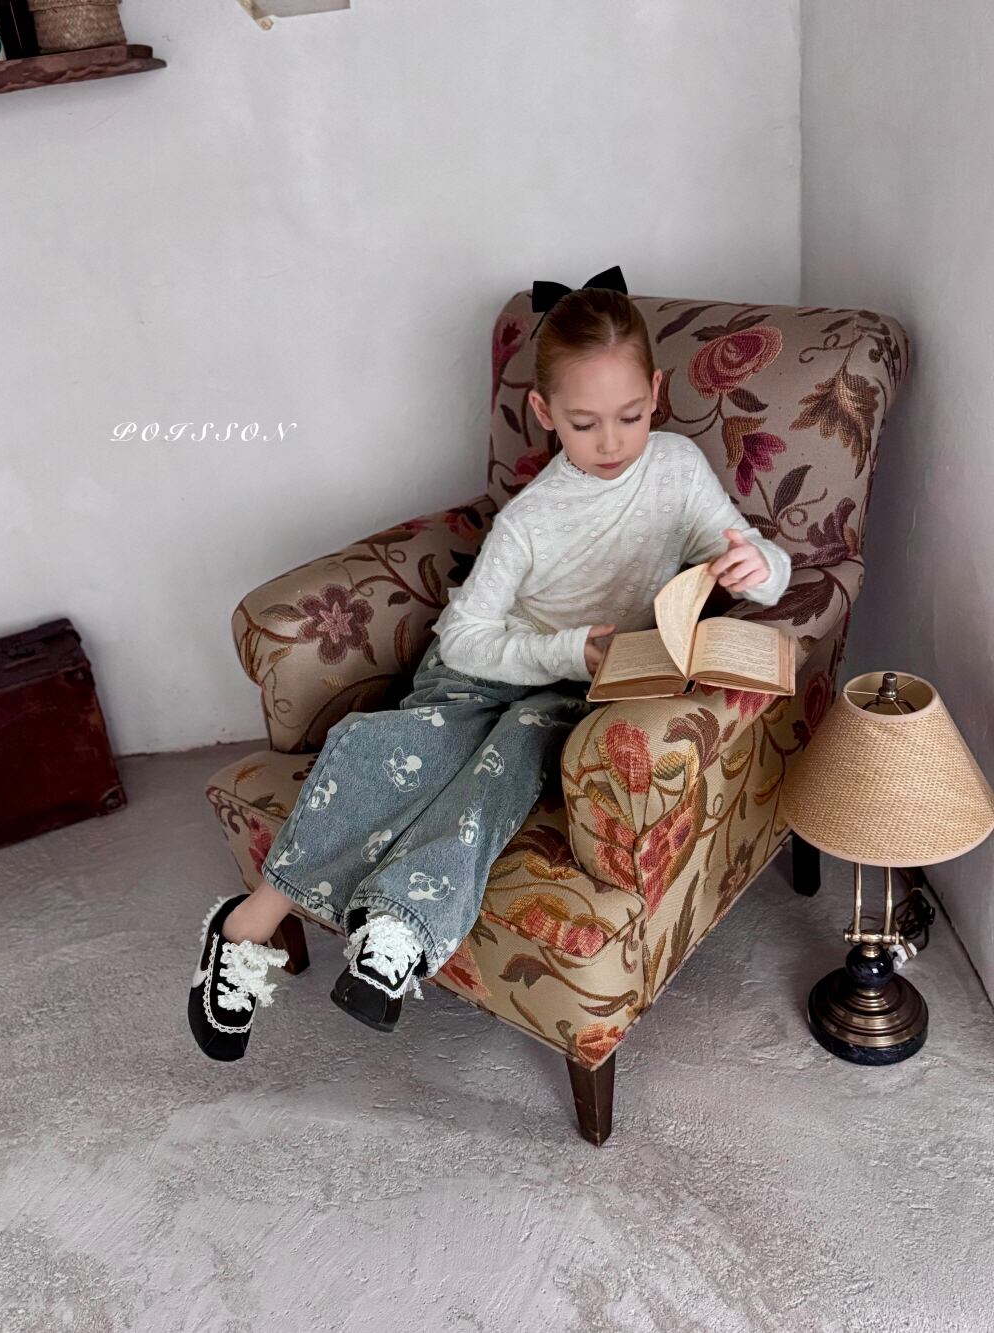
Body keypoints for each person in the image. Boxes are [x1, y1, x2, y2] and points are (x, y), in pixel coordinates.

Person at [187, 270, 792, 1062]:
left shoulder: (676, 469)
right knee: (404, 754)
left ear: (656, 392)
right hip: (488, 665)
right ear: (544, 413)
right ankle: (245, 926)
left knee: (509, 759)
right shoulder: (530, 518)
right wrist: (567, 647)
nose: (611, 442)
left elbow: (752, 555)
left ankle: (397, 927)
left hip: (577, 685)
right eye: (583, 424)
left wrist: (758, 565)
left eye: (630, 415)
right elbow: (466, 635)